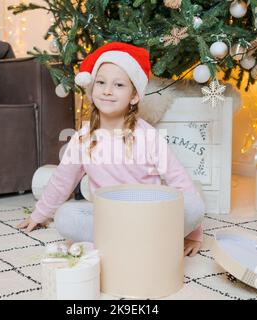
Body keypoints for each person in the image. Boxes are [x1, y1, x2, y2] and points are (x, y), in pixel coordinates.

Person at [17, 42, 205, 257]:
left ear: (134, 96)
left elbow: (178, 179)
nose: (107, 91)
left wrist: (193, 234)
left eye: (119, 85)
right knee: (66, 217)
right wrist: (39, 215)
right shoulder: (83, 138)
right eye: (101, 83)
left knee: (193, 204)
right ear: (92, 88)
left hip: (149, 214)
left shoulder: (148, 135)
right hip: (109, 218)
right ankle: (138, 239)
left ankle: (133, 239)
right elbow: (62, 179)